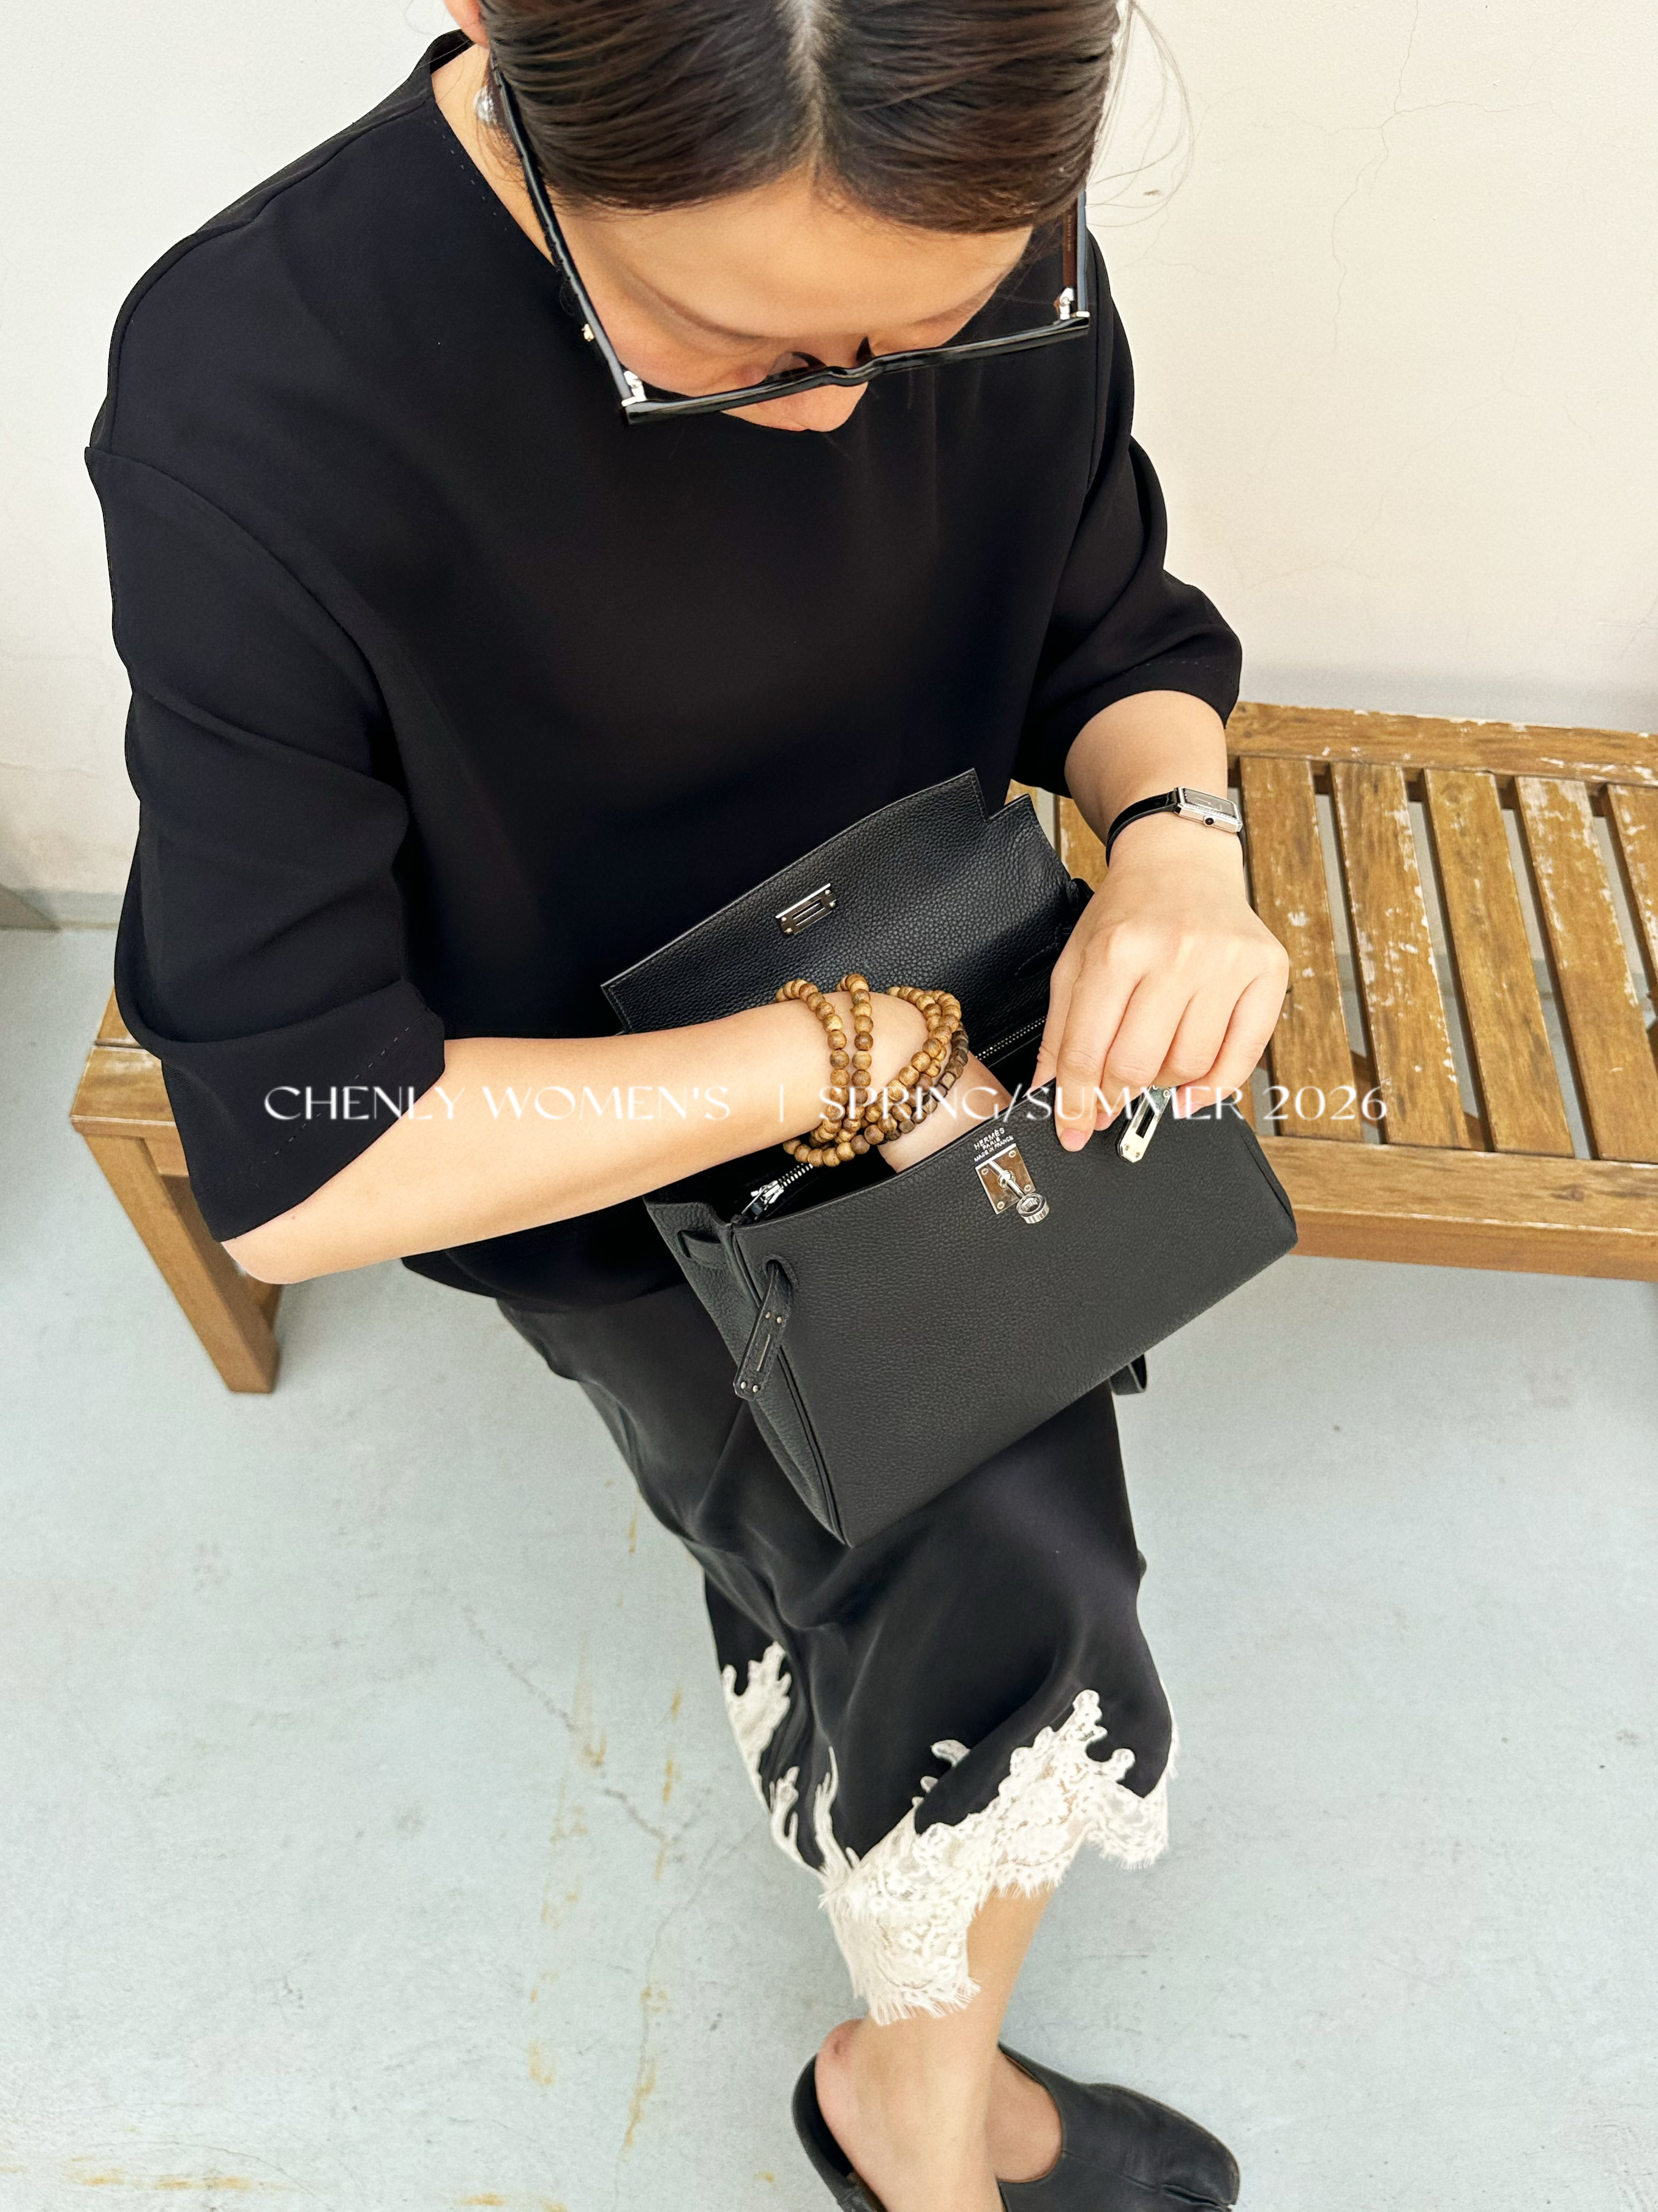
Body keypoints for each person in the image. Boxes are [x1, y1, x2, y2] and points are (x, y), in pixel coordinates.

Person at [88, 1, 1289, 2205]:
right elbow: (307, 1143)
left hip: (955, 1006)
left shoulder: (954, 200)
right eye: (734, 351)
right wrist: (835, 1057)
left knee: (953, 1568)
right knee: (1009, 1607)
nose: (839, 409)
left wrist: (1180, 847)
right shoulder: (255, 402)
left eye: (928, 334)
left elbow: (1106, 621)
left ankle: (907, 2061)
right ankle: (914, 2117)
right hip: (576, 1134)